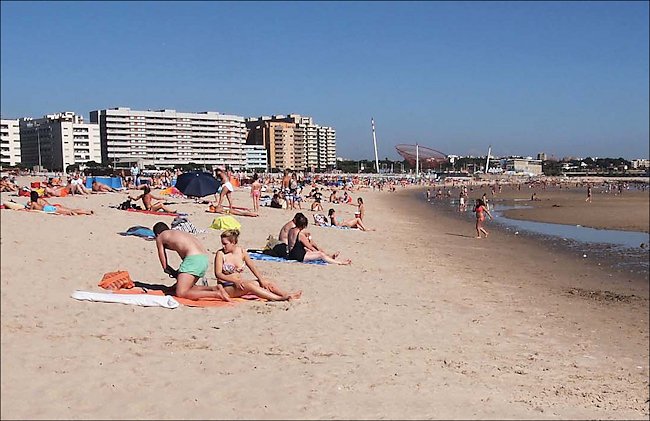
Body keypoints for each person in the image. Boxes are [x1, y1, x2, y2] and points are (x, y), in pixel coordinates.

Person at [214, 229, 302, 301]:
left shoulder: (241, 252)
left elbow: (252, 267)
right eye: (222, 243)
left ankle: (287, 294)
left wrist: (261, 280)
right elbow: (218, 274)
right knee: (249, 286)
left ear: (233, 242)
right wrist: (235, 281)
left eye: (225, 244)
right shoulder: (220, 254)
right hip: (226, 287)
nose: (223, 246)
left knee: (267, 281)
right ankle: (278, 298)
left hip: (240, 284)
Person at [152, 222, 231, 301]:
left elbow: (164, 265)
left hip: (193, 259)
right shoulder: (177, 234)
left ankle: (216, 294)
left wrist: (171, 271)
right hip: (203, 259)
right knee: (189, 287)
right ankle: (214, 288)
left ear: (158, 234)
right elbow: (185, 259)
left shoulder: (160, 237)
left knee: (181, 293)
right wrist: (179, 276)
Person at [287, 213, 351, 265]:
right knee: (320, 255)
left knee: (313, 252)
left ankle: (329, 257)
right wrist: (319, 251)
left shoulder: (291, 230)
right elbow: (310, 246)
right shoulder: (300, 235)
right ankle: (340, 262)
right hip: (298, 256)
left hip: (291, 253)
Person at [27, 190, 93, 215]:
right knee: (71, 210)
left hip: (50, 208)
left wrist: (27, 207)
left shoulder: (34, 203)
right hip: (53, 206)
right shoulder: (40, 199)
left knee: (70, 211)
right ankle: (86, 212)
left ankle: (86, 212)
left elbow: (31, 210)